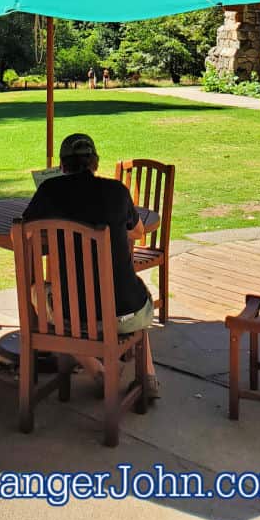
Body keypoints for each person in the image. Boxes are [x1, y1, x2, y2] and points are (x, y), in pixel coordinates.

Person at [22, 132, 160, 400]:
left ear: (62, 166)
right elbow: (139, 232)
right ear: (95, 163)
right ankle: (149, 376)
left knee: (37, 293)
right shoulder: (116, 191)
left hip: (71, 317)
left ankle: (98, 372)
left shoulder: (49, 191)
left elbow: (26, 231)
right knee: (135, 291)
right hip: (125, 313)